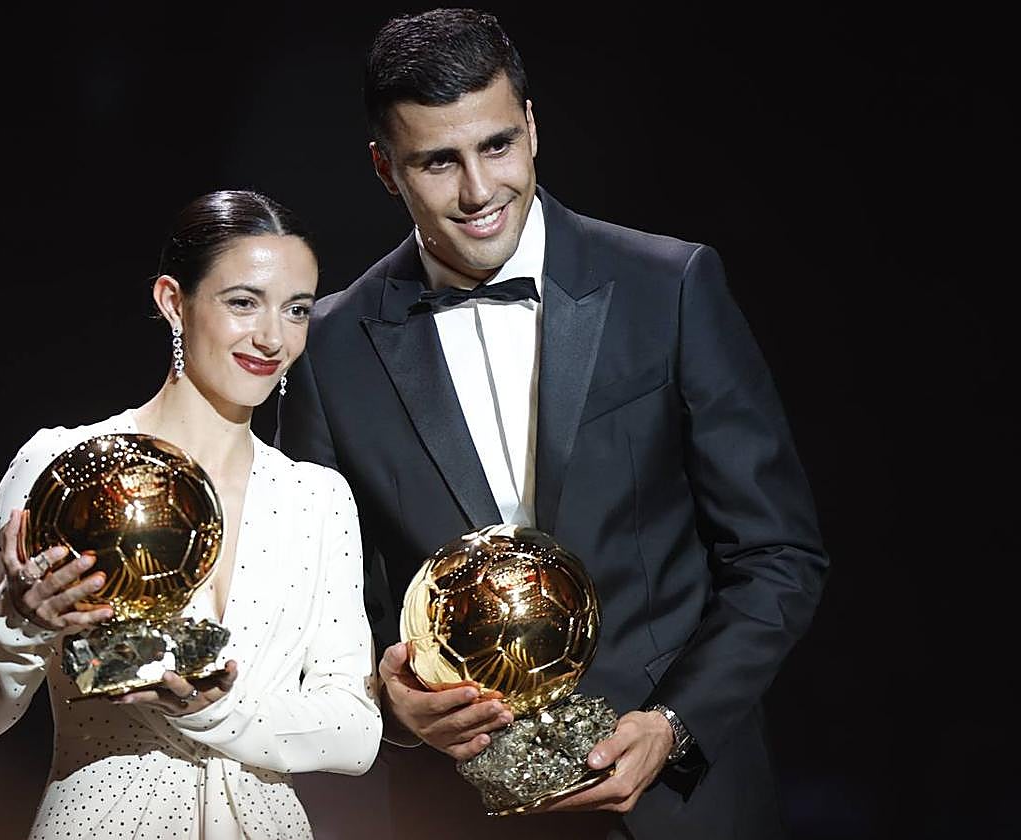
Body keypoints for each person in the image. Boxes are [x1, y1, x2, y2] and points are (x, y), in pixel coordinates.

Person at [277, 9, 828, 839]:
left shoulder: (670, 286)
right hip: (460, 811)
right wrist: (391, 706)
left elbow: (778, 555)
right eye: (438, 161)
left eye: (497, 145)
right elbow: (320, 612)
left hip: (684, 806)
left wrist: (672, 726)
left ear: (532, 126)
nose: (478, 192)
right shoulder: (329, 349)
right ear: (385, 168)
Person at [0, 190, 382, 840]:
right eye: (243, 302)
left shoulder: (315, 499)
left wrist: (219, 709)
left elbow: (356, 732)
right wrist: (20, 623)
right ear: (173, 301)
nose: (272, 337)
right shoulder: (65, 467)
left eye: (296, 309)